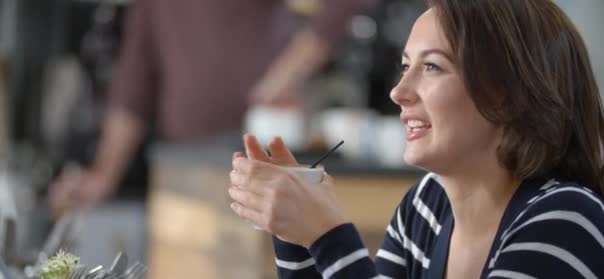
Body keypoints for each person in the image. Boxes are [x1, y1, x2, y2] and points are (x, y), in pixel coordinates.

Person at [228, 0, 604, 279]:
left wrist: (329, 238)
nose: (399, 91)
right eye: (406, 66)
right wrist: (295, 235)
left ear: (508, 93)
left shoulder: (567, 219)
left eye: (431, 67)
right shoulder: (425, 206)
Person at [49, 0, 371, 213]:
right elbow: (134, 85)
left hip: (257, 157)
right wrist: (104, 174)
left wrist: (284, 76)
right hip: (183, 164)